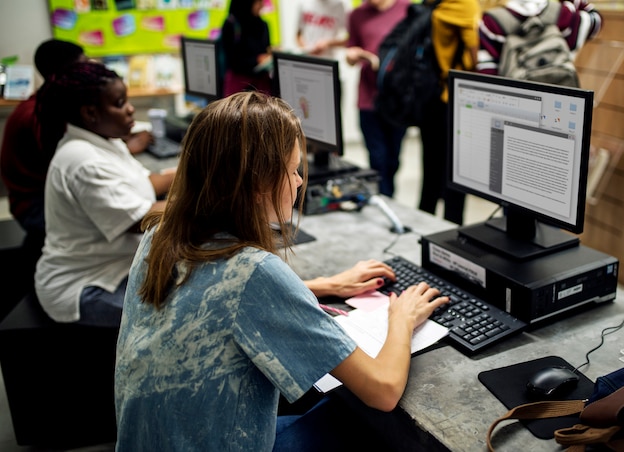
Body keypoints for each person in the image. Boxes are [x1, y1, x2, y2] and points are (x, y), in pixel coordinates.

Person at [114, 91, 449, 450]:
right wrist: (401, 316)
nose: (300, 181)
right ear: (258, 185)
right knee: (366, 421)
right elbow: (382, 390)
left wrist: (323, 284)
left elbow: (212, 295)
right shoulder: (254, 272)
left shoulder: (160, 231)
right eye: (293, 170)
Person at [33, 62, 175, 327]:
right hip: (88, 284)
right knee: (181, 317)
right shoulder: (83, 160)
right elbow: (141, 219)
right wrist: (214, 193)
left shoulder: (103, 140)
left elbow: (146, 182)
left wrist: (200, 169)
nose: (131, 109)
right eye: (120, 103)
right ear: (90, 113)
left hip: (114, 265)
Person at [0, 39, 153, 272]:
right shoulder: (44, 120)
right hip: (34, 204)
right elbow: (82, 172)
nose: (90, 69)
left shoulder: (84, 128)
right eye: (82, 66)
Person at [417, 0, 481, 225]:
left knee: (430, 172)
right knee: (456, 178)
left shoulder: (434, 5)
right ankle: (451, 232)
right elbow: (476, 56)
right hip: (455, 99)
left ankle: (422, 226)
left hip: (431, 96)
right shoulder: (464, 4)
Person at [345, 0, 410, 198]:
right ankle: (384, 200)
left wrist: (384, 64)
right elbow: (350, 54)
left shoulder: (407, 10)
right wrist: (353, 55)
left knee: (393, 159)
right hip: (368, 98)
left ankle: (388, 198)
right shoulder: (357, 15)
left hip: (397, 98)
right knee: (377, 158)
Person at [477, 0, 602, 77]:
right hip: (558, 100)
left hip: (513, 103)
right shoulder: (563, 14)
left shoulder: (492, 20)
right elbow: (596, 22)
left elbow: (487, 72)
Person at [221, 0, 273, 97]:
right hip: (238, 88)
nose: (262, 6)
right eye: (258, 2)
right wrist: (256, 59)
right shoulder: (231, 24)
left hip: (261, 86)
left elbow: (265, 49)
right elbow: (232, 60)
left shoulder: (263, 25)